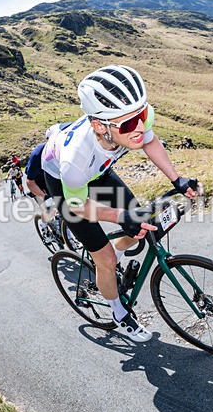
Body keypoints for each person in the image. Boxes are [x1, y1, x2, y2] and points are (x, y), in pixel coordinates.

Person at [42, 65, 198, 342]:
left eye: (143, 115)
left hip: (99, 171)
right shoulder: (75, 157)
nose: (139, 127)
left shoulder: (129, 124)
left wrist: (178, 180)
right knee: (106, 257)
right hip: (67, 187)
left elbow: (150, 142)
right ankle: (118, 313)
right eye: (128, 124)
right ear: (100, 126)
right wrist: (118, 215)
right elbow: (76, 206)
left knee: (139, 222)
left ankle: (118, 255)